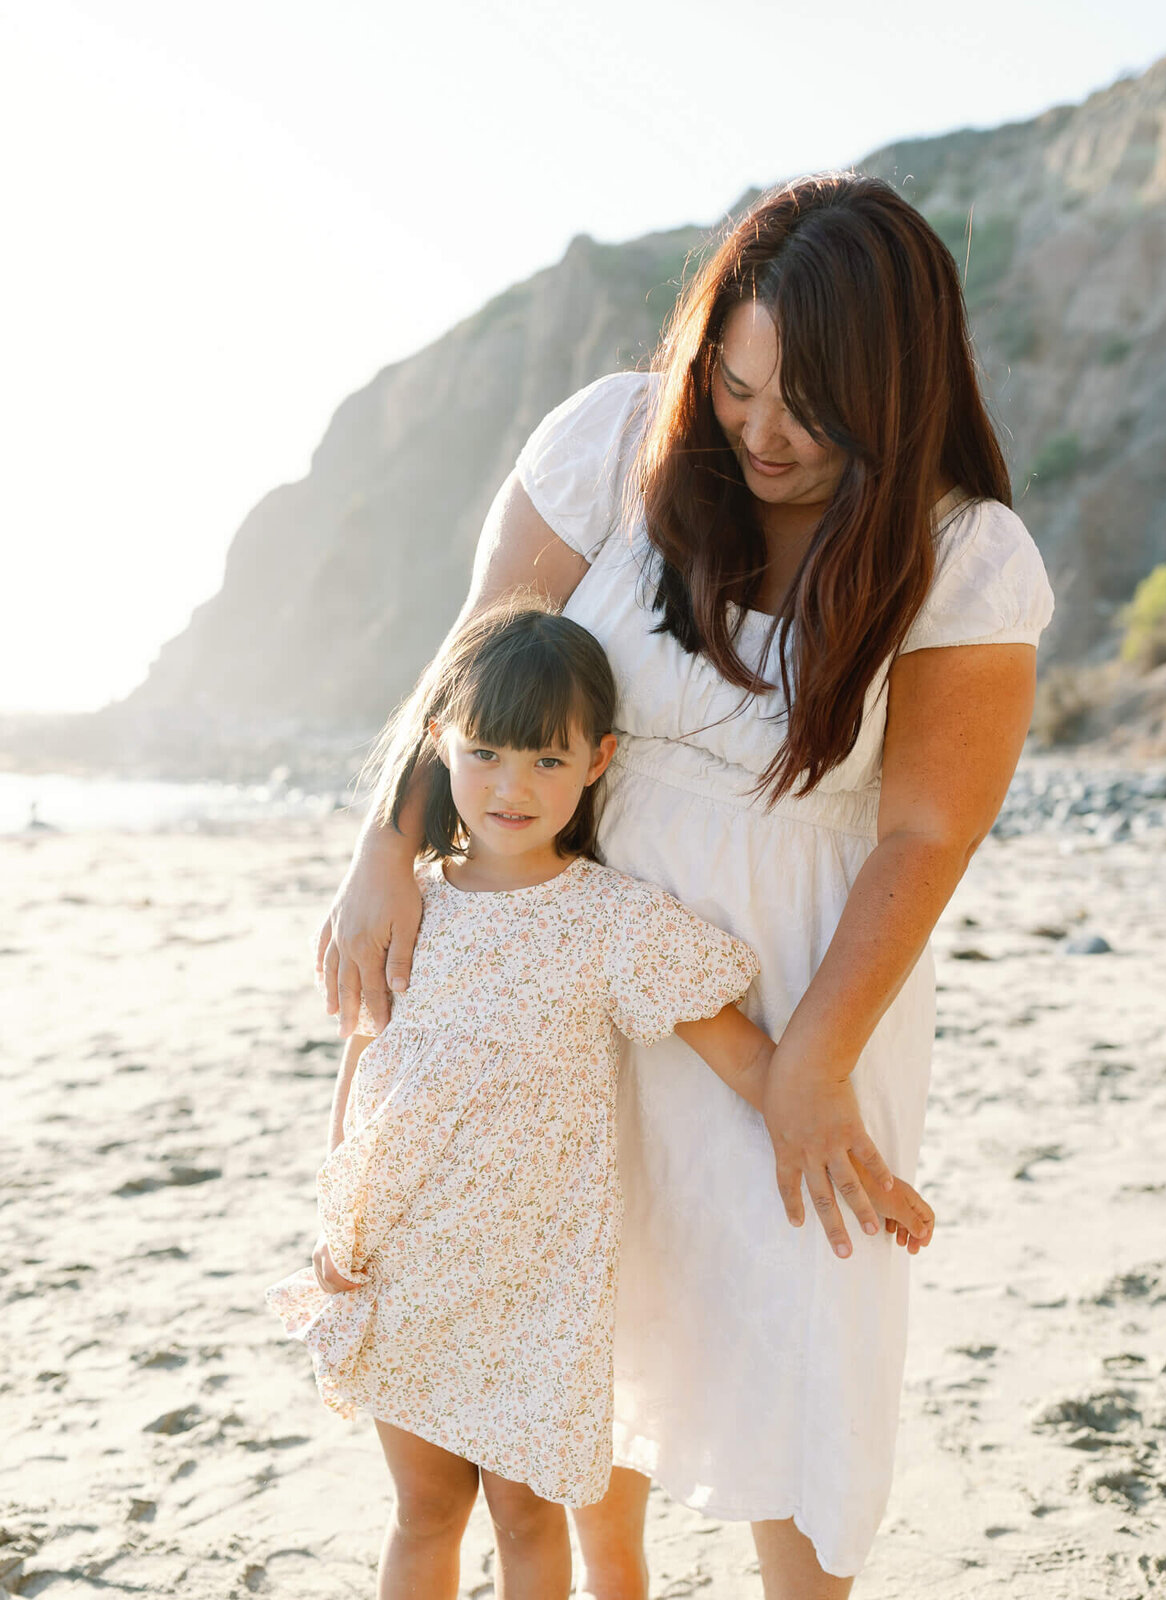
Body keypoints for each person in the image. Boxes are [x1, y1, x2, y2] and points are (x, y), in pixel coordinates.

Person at [316, 174, 1054, 1597]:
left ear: (897, 395)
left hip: (803, 979)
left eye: (813, 408)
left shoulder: (965, 558)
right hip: (562, 964)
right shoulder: (609, 440)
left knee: (803, 1323)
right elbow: (480, 651)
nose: (763, 435)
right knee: (591, 1296)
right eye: (737, 385)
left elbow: (924, 837)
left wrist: (815, 1063)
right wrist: (381, 851)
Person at [268, 601, 936, 1600]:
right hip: (402, 1268)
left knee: (530, 1517)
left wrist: (854, 1158)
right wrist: (337, 1226)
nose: (511, 785)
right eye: (487, 752)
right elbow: (365, 1063)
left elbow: (753, 1062)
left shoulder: (611, 920)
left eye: (547, 759)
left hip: (540, 1292)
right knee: (426, 1513)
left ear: (598, 760)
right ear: (440, 741)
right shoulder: (410, 907)